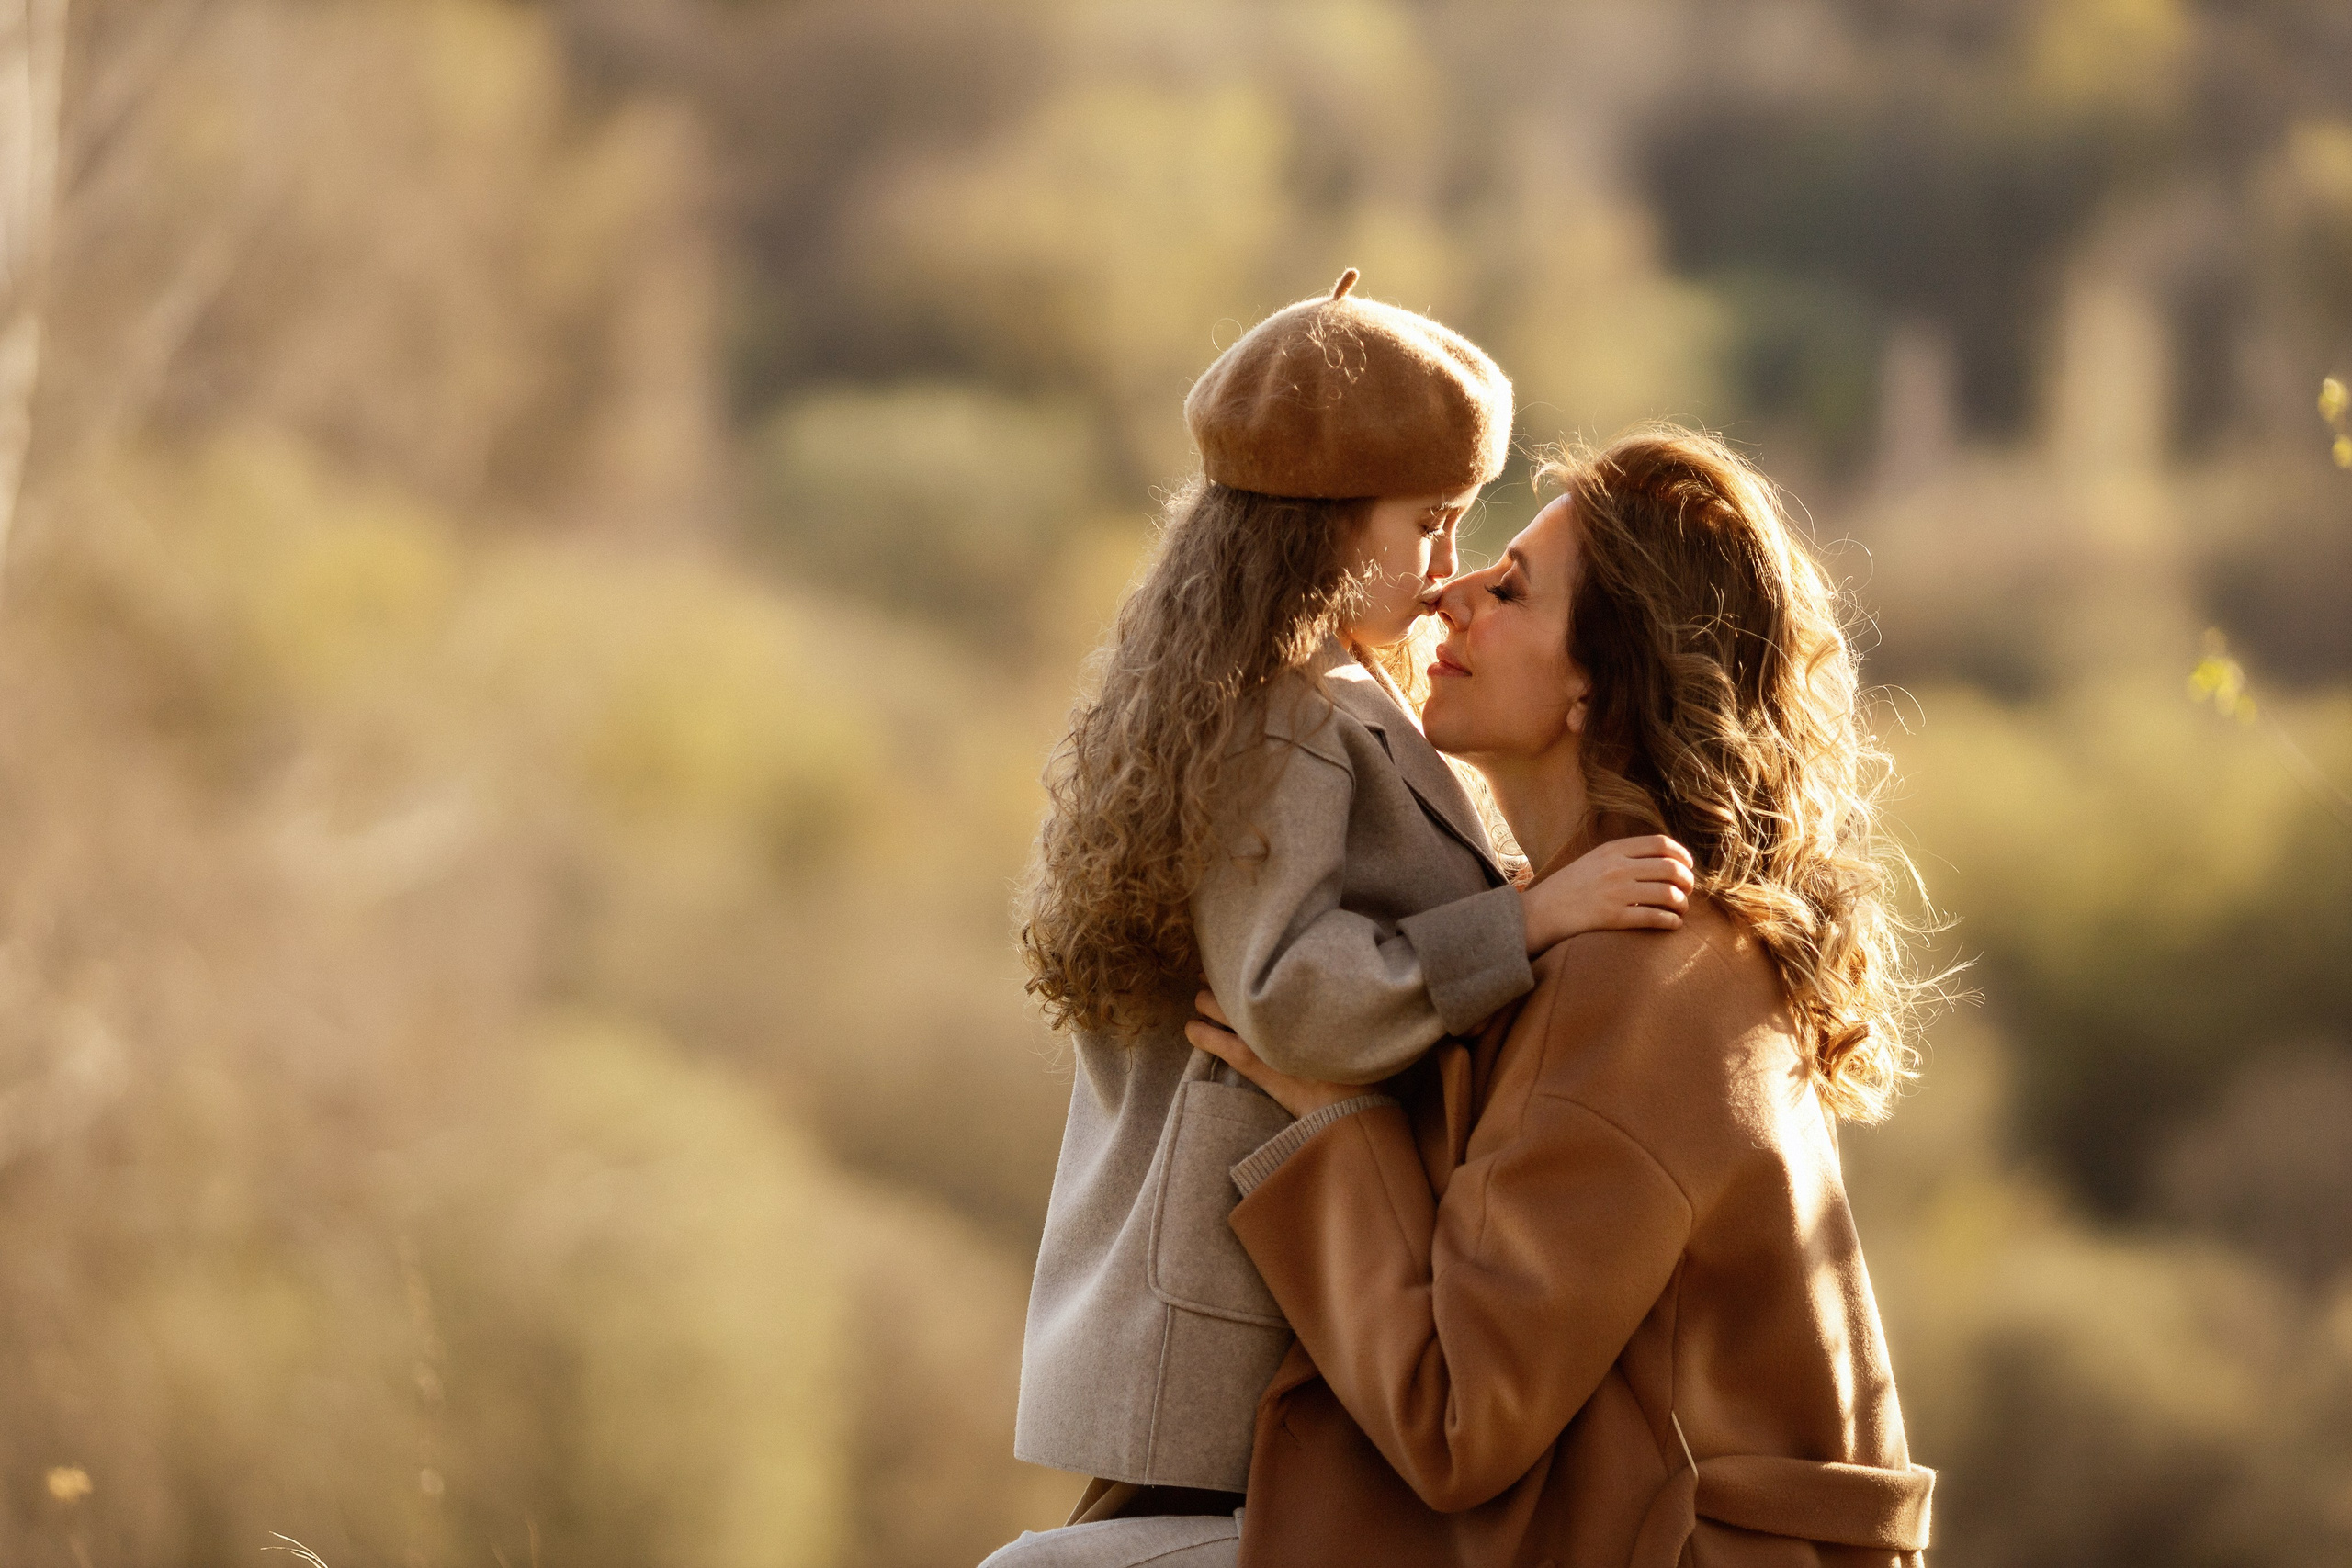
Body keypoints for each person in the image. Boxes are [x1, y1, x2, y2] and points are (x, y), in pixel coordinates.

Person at [992, 280, 1695, 1567]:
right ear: (1318, 533)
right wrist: (1531, 918)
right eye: (1426, 524)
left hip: (1263, 1315)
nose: (1448, 568)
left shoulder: (1314, 696)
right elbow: (1290, 996)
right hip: (1232, 1331)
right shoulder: (1293, 719)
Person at [1188, 428, 1940, 1567]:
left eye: (1509, 589)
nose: (1447, 592)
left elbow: (1458, 1422)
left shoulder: (1637, 978)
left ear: (1598, 679)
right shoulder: (1636, 934)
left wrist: (1328, 1115)